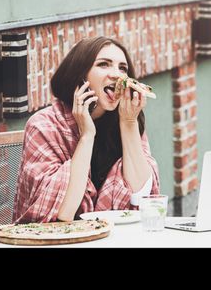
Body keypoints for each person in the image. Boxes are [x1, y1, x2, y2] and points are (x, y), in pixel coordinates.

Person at [13, 36, 160, 223]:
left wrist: (129, 123)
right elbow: (63, 213)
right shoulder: (44, 125)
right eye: (104, 64)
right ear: (80, 75)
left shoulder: (126, 119)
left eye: (122, 68)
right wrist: (87, 136)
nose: (117, 74)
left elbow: (141, 199)